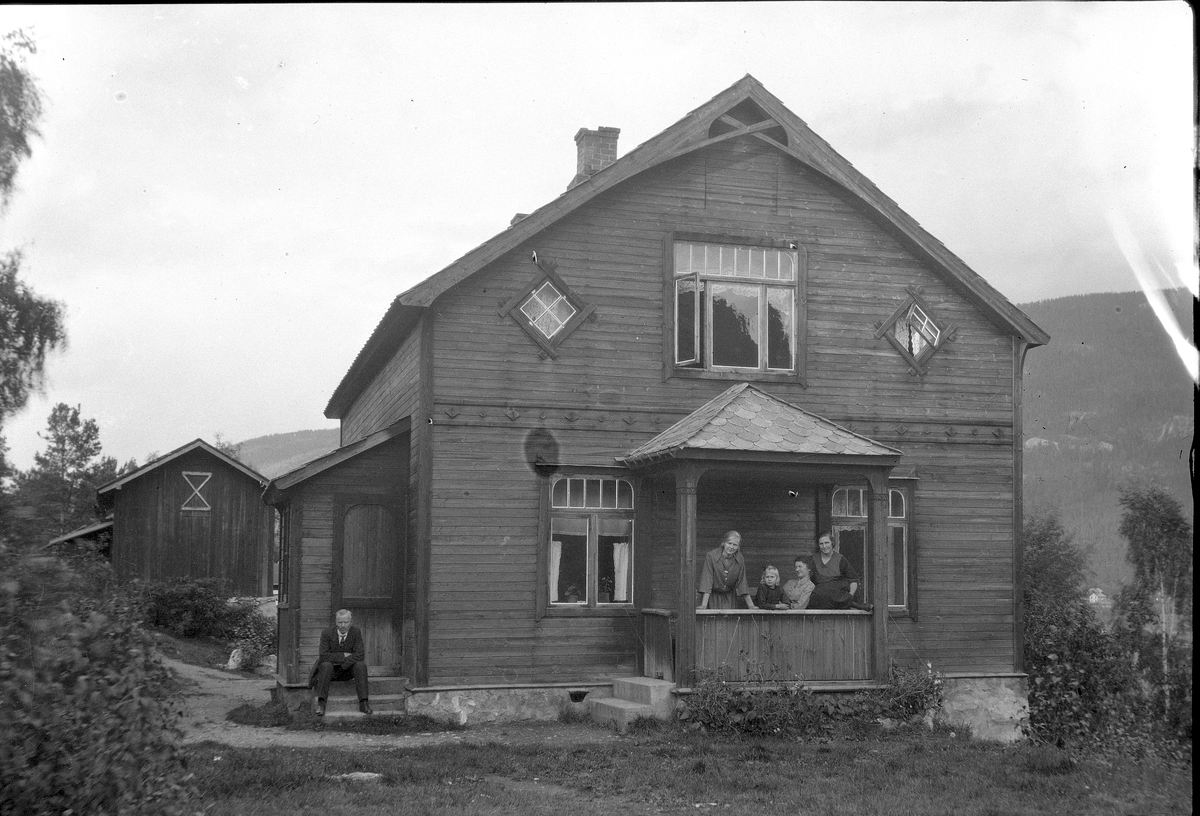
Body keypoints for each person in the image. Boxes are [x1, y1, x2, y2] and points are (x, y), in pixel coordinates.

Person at [310, 609, 372, 716]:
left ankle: (364, 703)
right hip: (330, 672)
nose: (343, 625)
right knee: (325, 665)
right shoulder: (327, 633)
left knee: (360, 665)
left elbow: (360, 654)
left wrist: (343, 664)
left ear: (351, 622)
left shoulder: (356, 632)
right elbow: (323, 655)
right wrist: (344, 655)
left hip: (347, 670)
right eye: (340, 622)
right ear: (336, 622)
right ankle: (321, 704)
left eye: (346, 622)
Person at [808, 531, 872, 611]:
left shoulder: (840, 559)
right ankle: (854, 605)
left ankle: (850, 603)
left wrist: (849, 597)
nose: (824, 546)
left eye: (827, 543)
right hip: (820, 598)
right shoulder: (813, 559)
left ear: (832, 543)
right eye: (821, 544)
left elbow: (853, 580)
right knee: (819, 591)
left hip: (838, 596)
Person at [697, 530, 758, 610]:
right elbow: (707, 580)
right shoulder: (711, 556)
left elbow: (742, 582)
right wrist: (704, 605)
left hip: (730, 599)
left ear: (738, 546)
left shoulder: (740, 558)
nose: (731, 547)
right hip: (712, 598)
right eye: (729, 543)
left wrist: (751, 606)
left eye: (735, 545)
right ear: (724, 543)